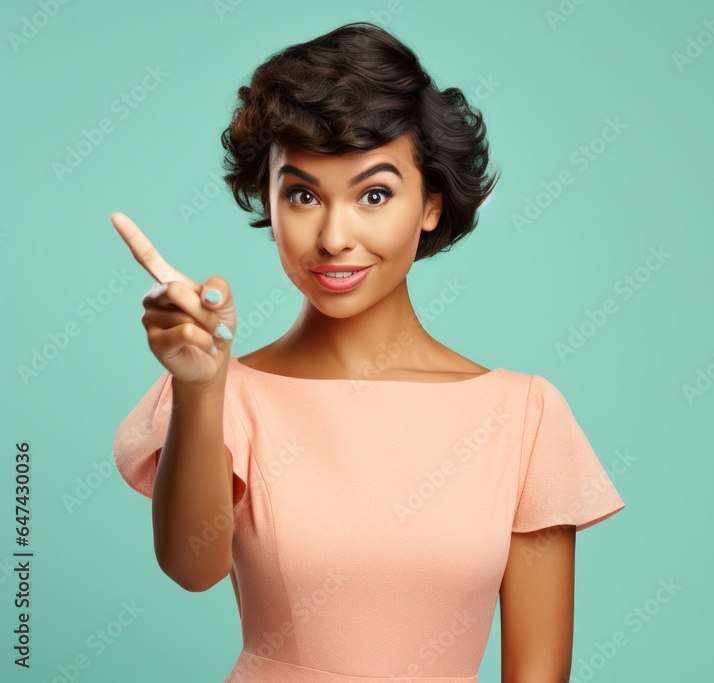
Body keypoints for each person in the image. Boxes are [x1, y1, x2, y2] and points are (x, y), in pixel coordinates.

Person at [111, 21, 625, 682]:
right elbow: (191, 564)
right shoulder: (224, 389)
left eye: (374, 194)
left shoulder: (524, 416)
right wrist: (200, 387)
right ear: (267, 200)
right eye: (302, 194)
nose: (332, 236)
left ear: (431, 204)